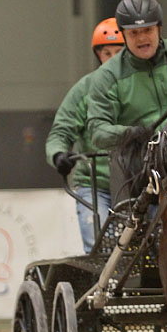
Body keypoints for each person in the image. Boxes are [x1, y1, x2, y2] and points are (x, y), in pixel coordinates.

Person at [86, 0, 167, 200]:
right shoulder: (107, 76)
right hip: (143, 168)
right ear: (124, 35)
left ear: (159, 29)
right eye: (134, 33)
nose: (142, 38)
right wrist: (133, 134)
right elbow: (97, 131)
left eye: (148, 30)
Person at [45, 17, 125, 252]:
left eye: (119, 52)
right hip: (95, 184)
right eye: (106, 53)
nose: (112, 59)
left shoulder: (140, 85)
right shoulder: (84, 89)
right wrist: (58, 154)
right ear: (98, 56)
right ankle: (102, 284)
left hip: (137, 181)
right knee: (100, 247)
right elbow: (60, 131)